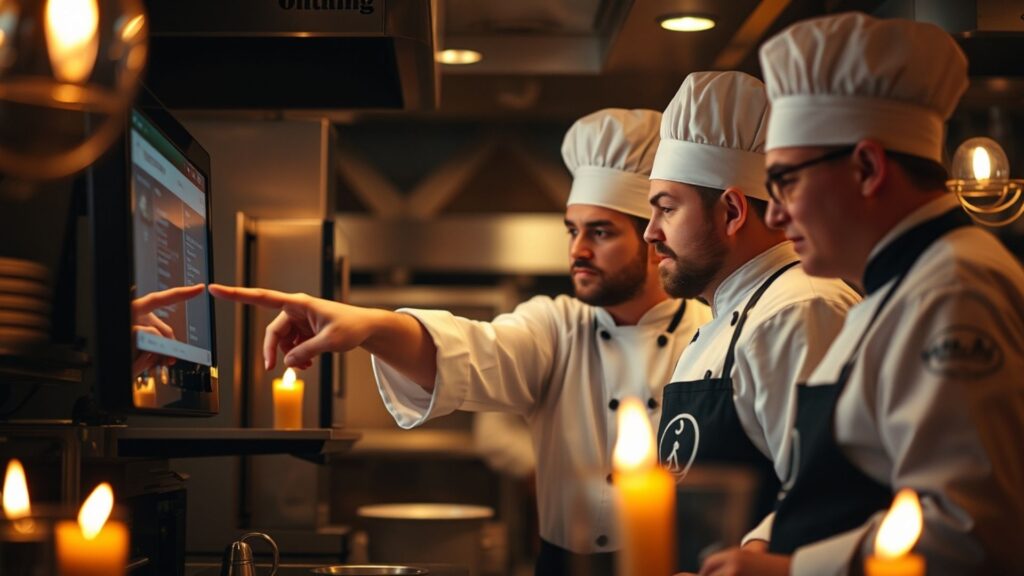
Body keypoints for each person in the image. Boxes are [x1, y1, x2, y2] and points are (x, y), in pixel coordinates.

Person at [209, 108, 712, 576]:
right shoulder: (556, 326)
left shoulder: (712, 333)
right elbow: (474, 351)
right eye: (572, 230)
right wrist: (371, 326)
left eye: (599, 232)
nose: (577, 250)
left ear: (653, 237)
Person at [697, 12, 1024, 576]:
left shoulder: (953, 290)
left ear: (868, 167)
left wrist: (788, 571)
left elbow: (969, 534)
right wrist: (759, 547)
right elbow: (838, 487)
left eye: (785, 182)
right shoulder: (892, 290)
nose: (773, 213)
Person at [642, 71, 859, 572]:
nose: (651, 232)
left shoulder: (799, 310)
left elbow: (827, 496)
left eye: (666, 209)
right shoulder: (729, 320)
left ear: (733, 211)